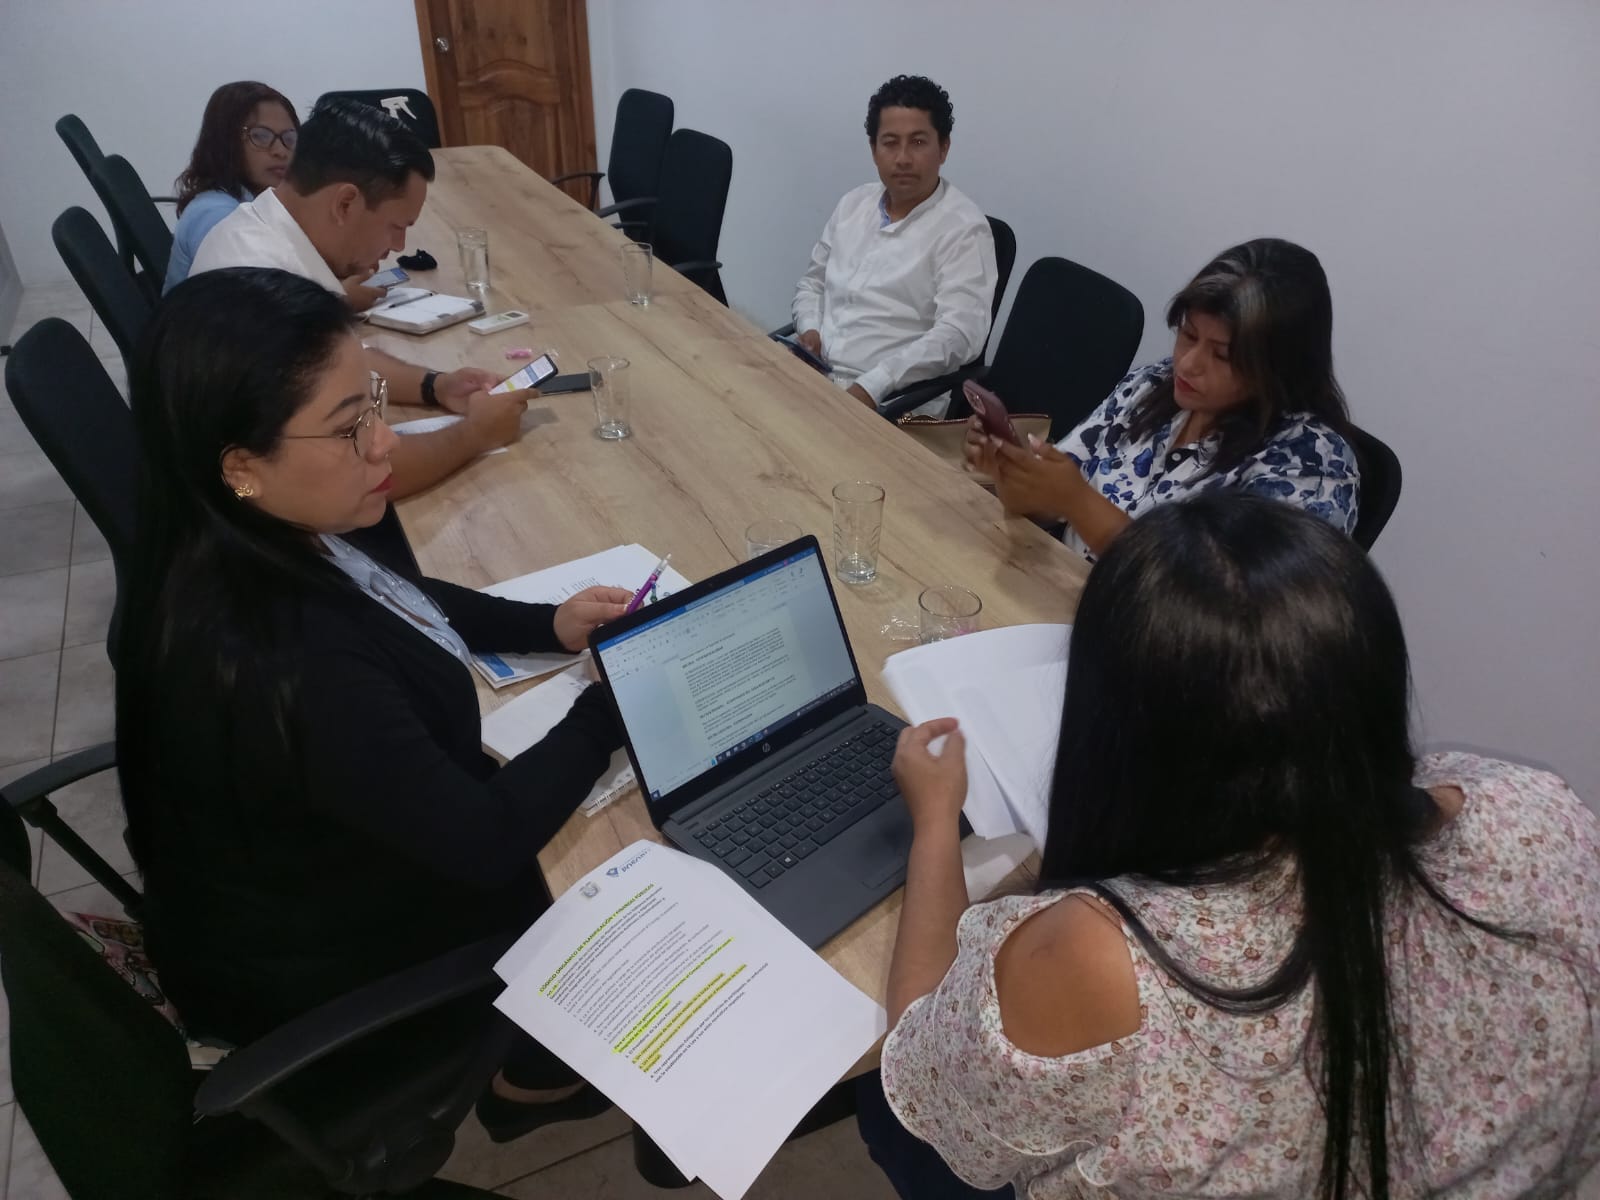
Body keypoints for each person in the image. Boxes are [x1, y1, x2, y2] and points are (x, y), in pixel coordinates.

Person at [859, 493, 1600, 1199]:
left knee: (885, 1114)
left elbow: (924, 1068)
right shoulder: (1538, 808)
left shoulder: (1105, 959)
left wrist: (936, 820)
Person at [116, 267, 629, 1140]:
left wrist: (549, 624)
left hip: (316, 877)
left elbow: (395, 596)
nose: (385, 442)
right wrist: (608, 708)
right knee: (615, 874)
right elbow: (482, 841)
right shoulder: (286, 654)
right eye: (351, 426)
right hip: (340, 969)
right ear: (242, 465)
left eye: (376, 406)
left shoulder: (242, 535)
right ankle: (531, 1084)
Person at [191, 97, 526, 498]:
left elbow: (341, 361)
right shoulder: (266, 293)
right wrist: (475, 434)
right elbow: (352, 476)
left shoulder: (262, 232)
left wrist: (436, 385)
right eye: (396, 226)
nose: (399, 246)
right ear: (345, 203)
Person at [967, 238, 1360, 560]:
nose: (1188, 364)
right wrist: (1015, 475)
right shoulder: (1152, 385)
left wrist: (1078, 502)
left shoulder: (1310, 466)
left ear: (1279, 367)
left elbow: (1213, 604)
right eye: (1188, 335)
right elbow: (1052, 506)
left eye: (1222, 356)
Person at [791, 74, 996, 411]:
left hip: (893, 405)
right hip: (816, 376)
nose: (902, 158)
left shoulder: (964, 229)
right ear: (874, 150)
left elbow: (960, 334)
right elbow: (813, 283)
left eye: (918, 142)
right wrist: (810, 330)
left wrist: (875, 383)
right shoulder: (853, 204)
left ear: (943, 148)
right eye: (890, 143)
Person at [164, 82, 302, 295]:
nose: (280, 151)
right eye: (261, 136)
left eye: (289, 139)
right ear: (225, 141)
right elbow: (254, 302)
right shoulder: (217, 214)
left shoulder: (260, 202)